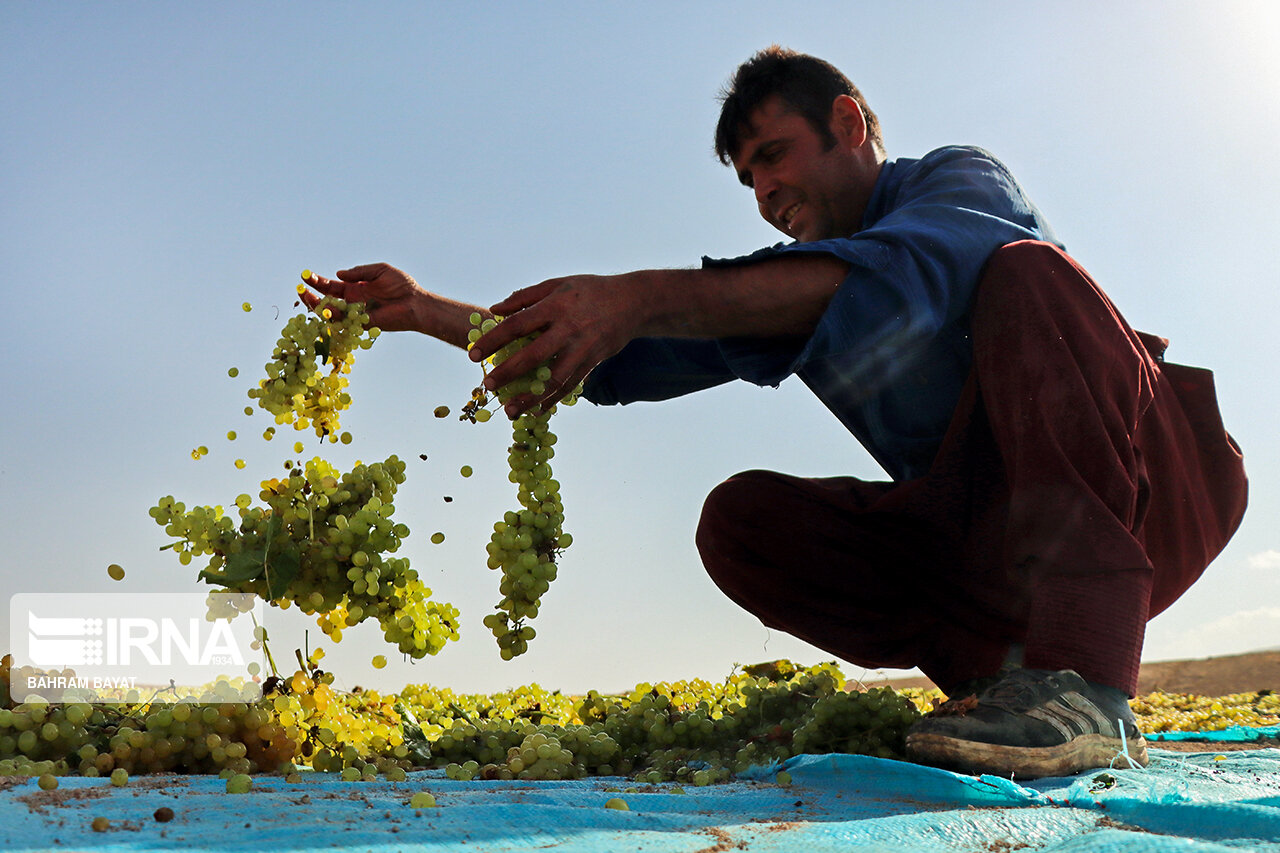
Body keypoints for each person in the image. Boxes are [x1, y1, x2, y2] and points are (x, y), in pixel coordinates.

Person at [302, 46, 1247, 779]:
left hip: (1152, 499)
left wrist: (638, 291)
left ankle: (1089, 686)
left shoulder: (958, 182)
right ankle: (1011, 685)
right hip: (995, 559)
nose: (765, 195)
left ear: (848, 122)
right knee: (742, 522)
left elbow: (914, 276)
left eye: (774, 157)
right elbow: (620, 358)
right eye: (748, 182)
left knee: (1029, 276)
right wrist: (428, 313)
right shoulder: (790, 297)